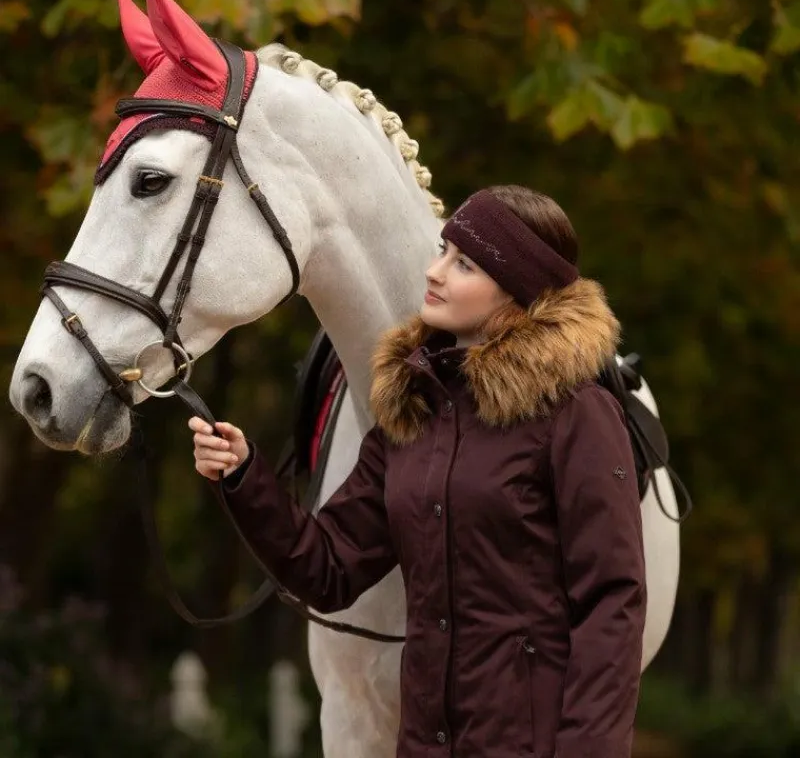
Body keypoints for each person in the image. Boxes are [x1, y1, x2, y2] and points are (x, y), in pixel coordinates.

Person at [188, 185, 646, 758]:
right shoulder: (414, 411)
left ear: (517, 291)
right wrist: (244, 474)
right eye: (443, 251)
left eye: (465, 264)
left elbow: (611, 603)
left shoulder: (576, 412)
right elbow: (327, 568)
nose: (434, 272)